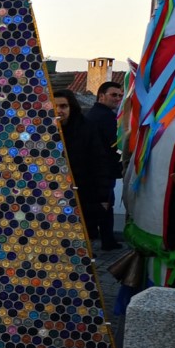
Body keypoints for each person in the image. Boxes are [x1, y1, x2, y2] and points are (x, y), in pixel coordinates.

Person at [55, 89, 111, 252]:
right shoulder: (42, 131)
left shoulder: (87, 129)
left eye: (63, 106)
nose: (59, 111)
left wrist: (103, 197)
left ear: (71, 107)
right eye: (55, 106)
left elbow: (100, 162)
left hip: (84, 197)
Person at [85, 81, 124, 250]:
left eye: (120, 95)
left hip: (93, 170)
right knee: (106, 205)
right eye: (114, 95)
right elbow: (113, 144)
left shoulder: (90, 114)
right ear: (101, 96)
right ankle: (107, 240)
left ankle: (102, 239)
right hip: (104, 170)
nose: (117, 98)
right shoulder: (107, 116)